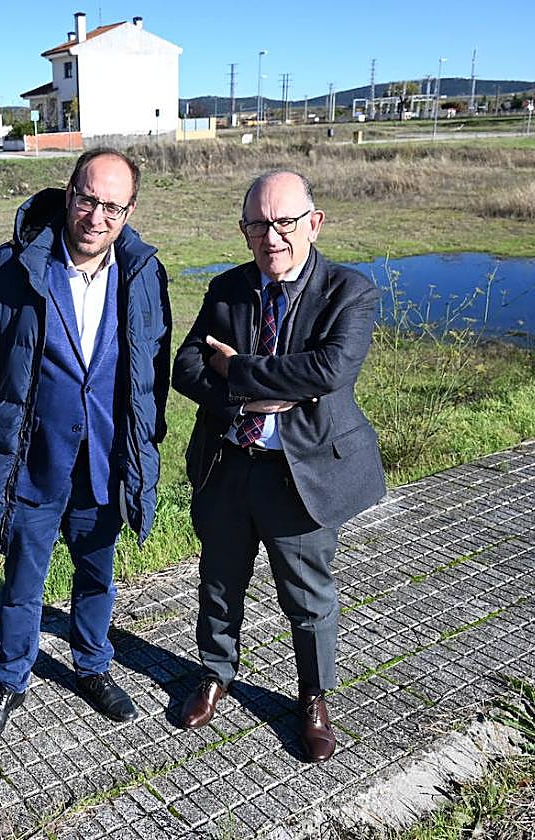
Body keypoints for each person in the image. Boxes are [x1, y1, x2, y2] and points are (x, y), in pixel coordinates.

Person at [0, 148, 172, 742]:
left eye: (113, 206)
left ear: (128, 212)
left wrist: (141, 443)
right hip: (32, 460)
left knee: (97, 574)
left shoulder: (144, 273)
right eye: (88, 199)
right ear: (69, 194)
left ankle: (93, 665)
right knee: (24, 580)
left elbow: (152, 367)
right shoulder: (11, 268)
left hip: (104, 459)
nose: (97, 217)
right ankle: (10, 677)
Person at [171, 169, 384, 762]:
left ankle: (314, 698)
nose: (272, 238)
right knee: (218, 580)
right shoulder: (227, 290)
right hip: (229, 464)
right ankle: (215, 674)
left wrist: (236, 372)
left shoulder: (350, 291)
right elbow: (186, 369)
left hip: (301, 473)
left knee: (307, 593)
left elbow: (329, 371)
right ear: (245, 231)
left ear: (313, 224)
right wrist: (251, 393)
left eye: (284, 223)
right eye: (258, 225)